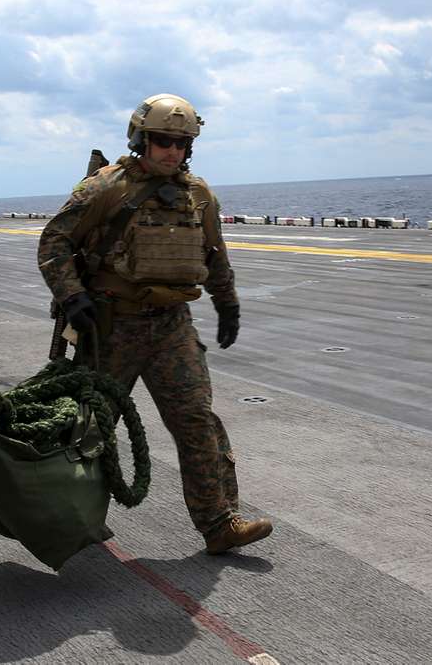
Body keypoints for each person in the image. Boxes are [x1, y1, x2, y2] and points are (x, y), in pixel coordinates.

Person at [37, 93, 273, 556]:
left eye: (181, 144)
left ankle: (220, 522)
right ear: (142, 139)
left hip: (171, 328)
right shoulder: (105, 189)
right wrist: (73, 295)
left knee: (197, 421)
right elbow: (54, 243)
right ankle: (70, 523)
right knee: (89, 429)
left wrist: (228, 305)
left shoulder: (198, 196)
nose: (172, 151)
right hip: (110, 327)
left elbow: (215, 258)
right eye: (163, 141)